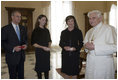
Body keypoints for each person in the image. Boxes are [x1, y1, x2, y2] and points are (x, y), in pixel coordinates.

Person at [84, 10, 117, 79]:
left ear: (100, 18)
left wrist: (95, 47)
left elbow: (115, 47)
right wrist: (87, 47)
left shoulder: (109, 29)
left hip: (103, 63)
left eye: (93, 18)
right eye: (90, 18)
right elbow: (86, 46)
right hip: (90, 62)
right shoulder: (89, 31)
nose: (91, 20)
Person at [1, 10, 27, 79]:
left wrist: (25, 45)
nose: (19, 18)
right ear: (12, 17)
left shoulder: (23, 28)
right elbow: (2, 43)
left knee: (21, 76)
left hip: (21, 57)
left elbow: (25, 40)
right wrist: (13, 48)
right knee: (13, 76)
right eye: (17, 16)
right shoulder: (5, 29)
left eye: (20, 17)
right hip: (11, 57)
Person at [31, 14, 51, 79]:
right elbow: (33, 43)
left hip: (47, 52)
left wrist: (49, 47)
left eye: (45, 20)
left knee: (46, 69)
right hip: (39, 52)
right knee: (39, 69)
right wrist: (43, 47)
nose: (44, 21)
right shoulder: (35, 30)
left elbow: (49, 40)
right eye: (43, 20)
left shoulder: (47, 30)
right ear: (39, 20)